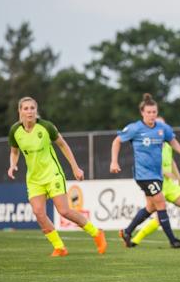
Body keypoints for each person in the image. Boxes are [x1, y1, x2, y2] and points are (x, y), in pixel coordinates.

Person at [7, 96, 107, 257]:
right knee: (39, 213)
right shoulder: (15, 131)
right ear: (20, 111)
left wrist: (75, 168)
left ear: (36, 110)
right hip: (34, 179)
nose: (29, 111)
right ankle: (59, 247)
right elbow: (14, 151)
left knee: (64, 211)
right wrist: (12, 165)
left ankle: (96, 233)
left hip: (53, 174)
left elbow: (63, 145)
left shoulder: (46, 127)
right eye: (25, 108)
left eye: (32, 108)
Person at [110, 94, 180, 248]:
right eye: (148, 112)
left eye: (154, 112)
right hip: (143, 175)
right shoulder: (135, 128)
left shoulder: (162, 129)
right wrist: (114, 161)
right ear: (142, 113)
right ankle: (173, 241)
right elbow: (117, 141)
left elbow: (173, 141)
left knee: (151, 207)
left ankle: (127, 231)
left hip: (156, 174)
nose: (151, 115)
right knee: (161, 204)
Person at [131, 117, 180, 247]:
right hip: (156, 184)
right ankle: (135, 239)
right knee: (159, 218)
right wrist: (164, 172)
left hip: (170, 185)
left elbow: (172, 163)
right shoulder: (149, 145)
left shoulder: (169, 144)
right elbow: (144, 164)